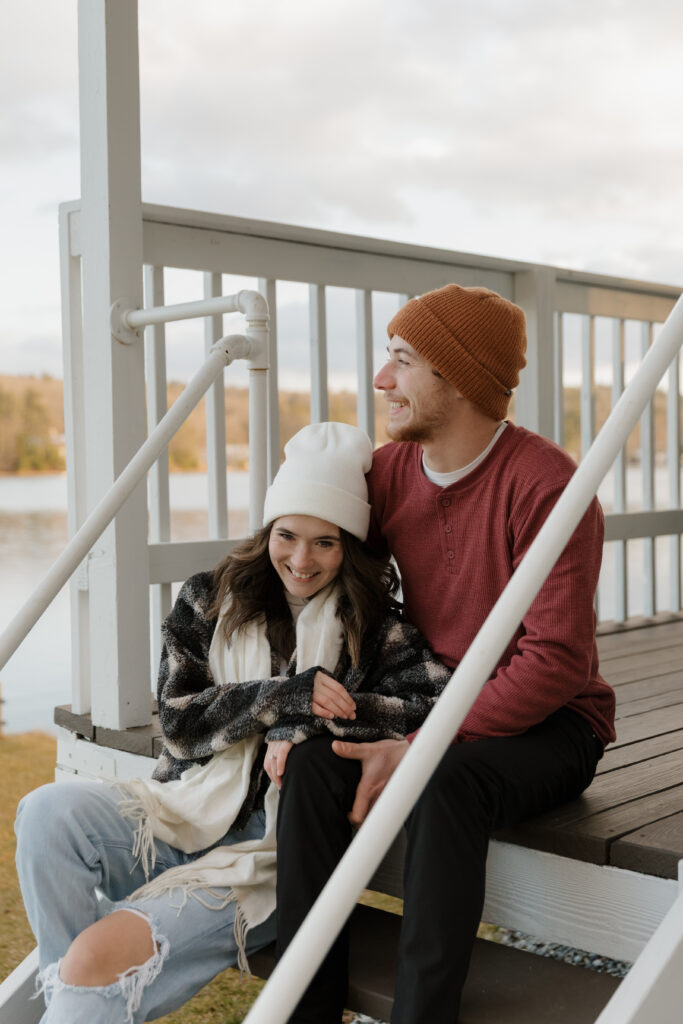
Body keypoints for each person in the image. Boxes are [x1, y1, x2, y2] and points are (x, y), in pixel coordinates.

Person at [14, 421, 451, 1024]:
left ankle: (81, 995)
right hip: (179, 813)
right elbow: (179, 723)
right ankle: (82, 997)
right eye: (288, 535)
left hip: (268, 855)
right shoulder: (208, 599)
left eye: (326, 543)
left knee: (92, 962)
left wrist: (313, 726)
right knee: (44, 815)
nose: (301, 560)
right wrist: (282, 698)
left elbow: (433, 696)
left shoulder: (374, 625)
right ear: (267, 529)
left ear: (349, 547)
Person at [276, 285, 617, 1023]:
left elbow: (555, 662)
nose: (380, 380)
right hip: (431, 705)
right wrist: (288, 708)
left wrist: (421, 745)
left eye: (400, 360)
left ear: (455, 376)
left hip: (551, 725)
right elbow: (325, 580)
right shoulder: (391, 473)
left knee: (443, 781)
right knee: (310, 766)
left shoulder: (550, 488)